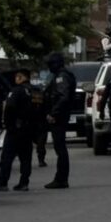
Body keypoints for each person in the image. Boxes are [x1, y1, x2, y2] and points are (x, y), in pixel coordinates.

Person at [0, 68, 35, 192]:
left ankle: (2, 183)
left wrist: (8, 124)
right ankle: (24, 183)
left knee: (7, 156)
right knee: (26, 157)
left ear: (21, 77)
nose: (15, 79)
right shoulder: (36, 91)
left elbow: (10, 107)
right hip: (30, 128)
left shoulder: (17, 90)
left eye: (17, 76)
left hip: (16, 128)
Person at [43, 52, 77, 189]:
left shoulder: (61, 77)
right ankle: (61, 178)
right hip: (60, 114)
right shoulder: (61, 75)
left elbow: (63, 97)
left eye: (51, 64)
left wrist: (54, 113)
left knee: (60, 147)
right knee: (59, 147)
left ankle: (61, 178)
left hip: (59, 116)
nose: (49, 67)